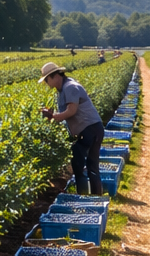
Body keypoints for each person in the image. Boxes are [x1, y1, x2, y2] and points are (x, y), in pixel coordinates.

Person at [39, 62, 104, 196]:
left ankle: (87, 196)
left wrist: (54, 117)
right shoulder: (62, 90)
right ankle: (92, 197)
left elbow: (71, 110)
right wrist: (52, 113)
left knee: (82, 163)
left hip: (90, 129)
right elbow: (65, 110)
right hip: (90, 129)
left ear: (55, 76)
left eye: (47, 80)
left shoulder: (70, 87)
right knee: (88, 165)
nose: (46, 83)